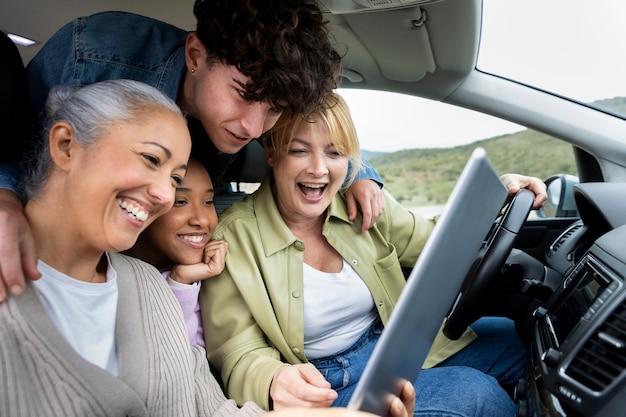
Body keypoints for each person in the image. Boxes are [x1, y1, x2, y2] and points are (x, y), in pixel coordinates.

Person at [1, 79, 415, 417]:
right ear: (65, 146)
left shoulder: (148, 287)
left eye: (176, 175)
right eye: (151, 160)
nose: (164, 194)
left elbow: (210, 410)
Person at [0, 0, 385, 301]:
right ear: (197, 56)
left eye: (274, 109)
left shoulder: (267, 110)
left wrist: (359, 173)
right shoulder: (94, 55)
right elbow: (14, 142)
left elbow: (310, 136)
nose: (253, 129)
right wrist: (5, 200)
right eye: (242, 94)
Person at [200, 92, 548, 416]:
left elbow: (436, 241)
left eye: (334, 153)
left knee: (526, 343)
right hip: (330, 382)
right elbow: (235, 348)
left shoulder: (361, 202)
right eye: (299, 150)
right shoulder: (234, 236)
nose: (319, 169)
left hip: (395, 347)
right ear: (273, 153)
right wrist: (272, 379)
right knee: (479, 394)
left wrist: (494, 198)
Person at [124, 157, 226, 346]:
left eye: (208, 201)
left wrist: (182, 280)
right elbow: (161, 358)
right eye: (180, 202)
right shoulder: (110, 276)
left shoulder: (210, 274)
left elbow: (195, 359)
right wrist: (179, 284)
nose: (201, 220)